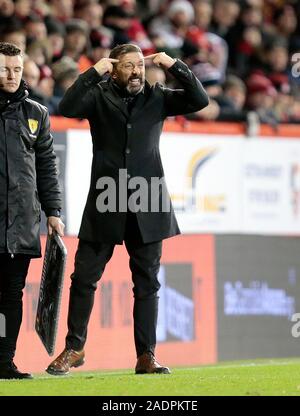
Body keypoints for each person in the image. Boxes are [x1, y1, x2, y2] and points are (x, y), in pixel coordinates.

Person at [46, 43, 208, 376]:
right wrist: (94, 72)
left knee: (147, 282)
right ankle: (74, 348)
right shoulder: (98, 95)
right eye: (128, 66)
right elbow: (67, 106)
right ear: (114, 68)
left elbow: (199, 99)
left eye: (140, 65)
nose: (136, 71)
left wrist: (175, 64)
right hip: (106, 199)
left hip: (148, 201)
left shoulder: (158, 96)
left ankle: (146, 355)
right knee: (84, 279)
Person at [0, 42, 64, 379]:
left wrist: (53, 210)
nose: (11, 76)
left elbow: (46, 167)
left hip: (22, 221)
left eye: (16, 70)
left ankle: (3, 361)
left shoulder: (36, 113)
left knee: (11, 295)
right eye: (4, 69)